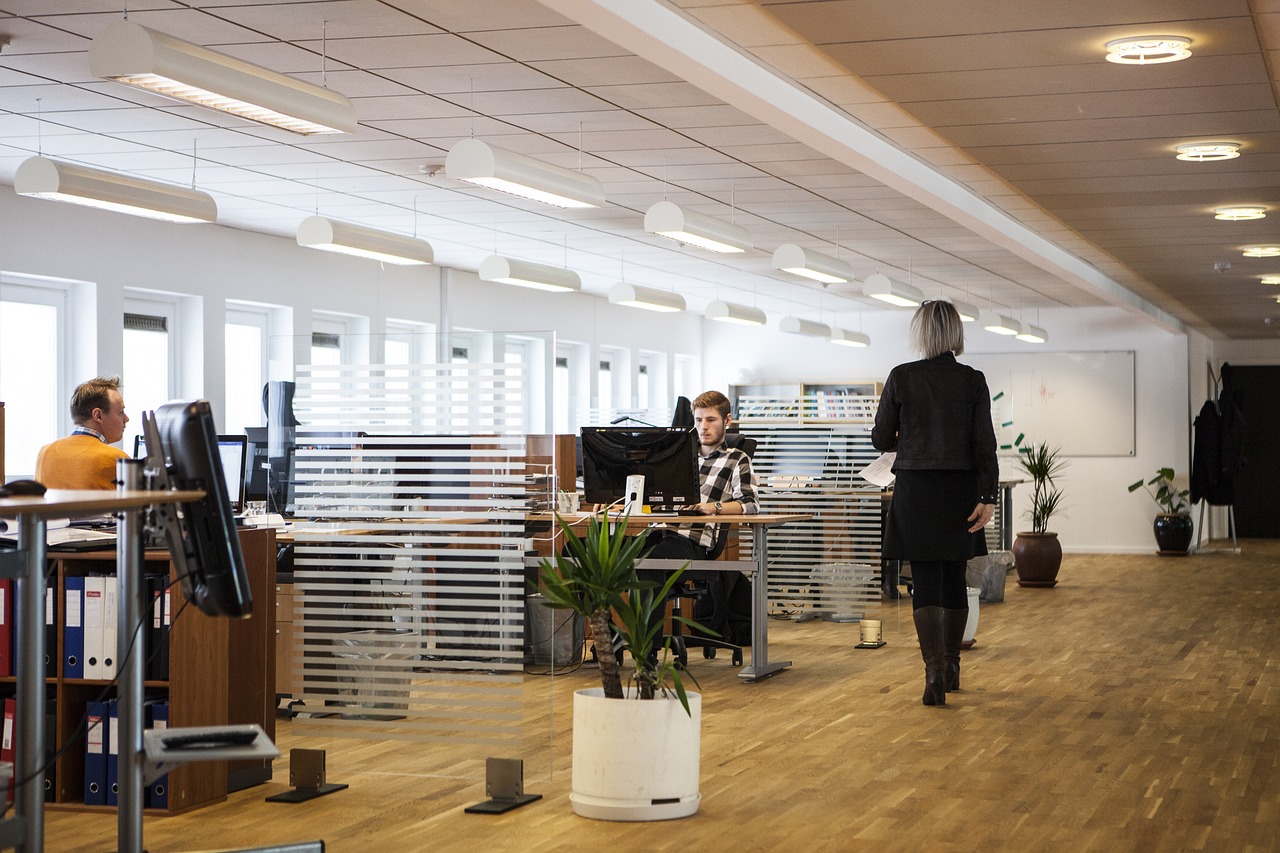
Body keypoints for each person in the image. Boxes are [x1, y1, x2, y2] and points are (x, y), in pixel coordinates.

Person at [872, 302, 998, 706]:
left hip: (916, 489)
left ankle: (933, 674)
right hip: (960, 488)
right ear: (956, 333)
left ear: (921, 333)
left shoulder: (901, 377)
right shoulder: (973, 380)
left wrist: (906, 440)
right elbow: (985, 446)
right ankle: (952, 664)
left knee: (924, 581)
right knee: (954, 578)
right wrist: (988, 497)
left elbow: (879, 439)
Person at [643, 390, 760, 645]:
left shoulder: (737, 459)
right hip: (656, 532)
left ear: (727, 421)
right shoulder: (675, 457)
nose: (703, 427)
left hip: (691, 540)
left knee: (651, 564)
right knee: (583, 552)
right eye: (698, 420)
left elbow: (750, 505)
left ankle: (647, 652)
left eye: (710, 420)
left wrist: (714, 507)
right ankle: (604, 639)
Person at [34, 376, 131, 490]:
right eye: (121, 412)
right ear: (98, 415)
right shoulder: (118, 461)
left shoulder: (44, 453)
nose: (126, 418)